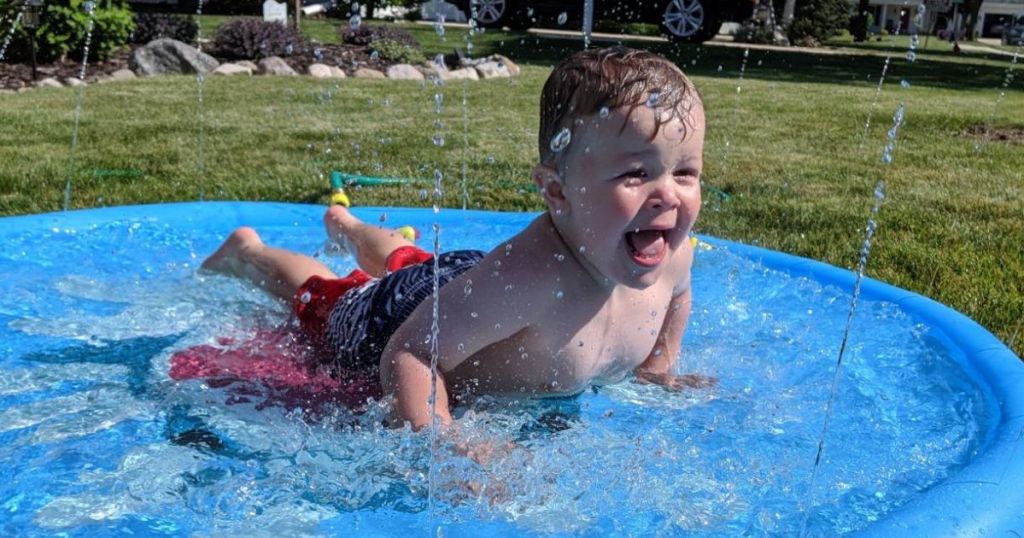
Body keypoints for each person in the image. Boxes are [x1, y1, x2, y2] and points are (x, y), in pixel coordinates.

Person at [199, 45, 712, 434]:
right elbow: (411, 353)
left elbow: (678, 297)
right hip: (405, 314)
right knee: (330, 301)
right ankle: (251, 252)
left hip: (462, 283)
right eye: (635, 175)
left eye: (685, 171)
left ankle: (351, 228)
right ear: (558, 190)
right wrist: (440, 443)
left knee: (414, 261)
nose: (668, 194)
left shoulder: (672, 259)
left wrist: (659, 366)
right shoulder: (529, 277)